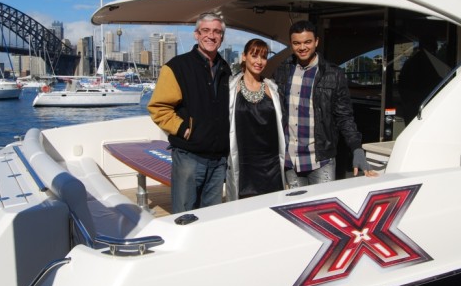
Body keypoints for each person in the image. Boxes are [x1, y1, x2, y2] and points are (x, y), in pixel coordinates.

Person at [273, 20, 376, 187]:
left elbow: (344, 116)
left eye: (307, 42)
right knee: (295, 211)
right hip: (290, 160)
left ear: (316, 42)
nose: (302, 47)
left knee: (320, 210)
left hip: (321, 159)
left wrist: (356, 148)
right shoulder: (282, 71)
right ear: (291, 44)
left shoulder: (333, 74)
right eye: (296, 43)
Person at [147, 12, 232, 213]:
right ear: (196, 34)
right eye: (206, 31)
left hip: (219, 159)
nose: (211, 36)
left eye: (217, 32)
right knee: (185, 215)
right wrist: (185, 129)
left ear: (222, 37)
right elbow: (158, 108)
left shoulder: (226, 69)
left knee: (211, 217)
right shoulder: (177, 67)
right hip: (189, 157)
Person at [227, 39, 286, 200]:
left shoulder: (272, 88)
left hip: (271, 166)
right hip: (244, 165)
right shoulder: (231, 88)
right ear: (244, 57)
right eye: (254, 56)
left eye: (264, 57)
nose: (259, 62)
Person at [398, 32, 450, 124]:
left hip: (412, 106)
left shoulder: (411, 62)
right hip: (423, 106)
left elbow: (402, 85)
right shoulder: (431, 62)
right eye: (434, 43)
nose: (437, 46)